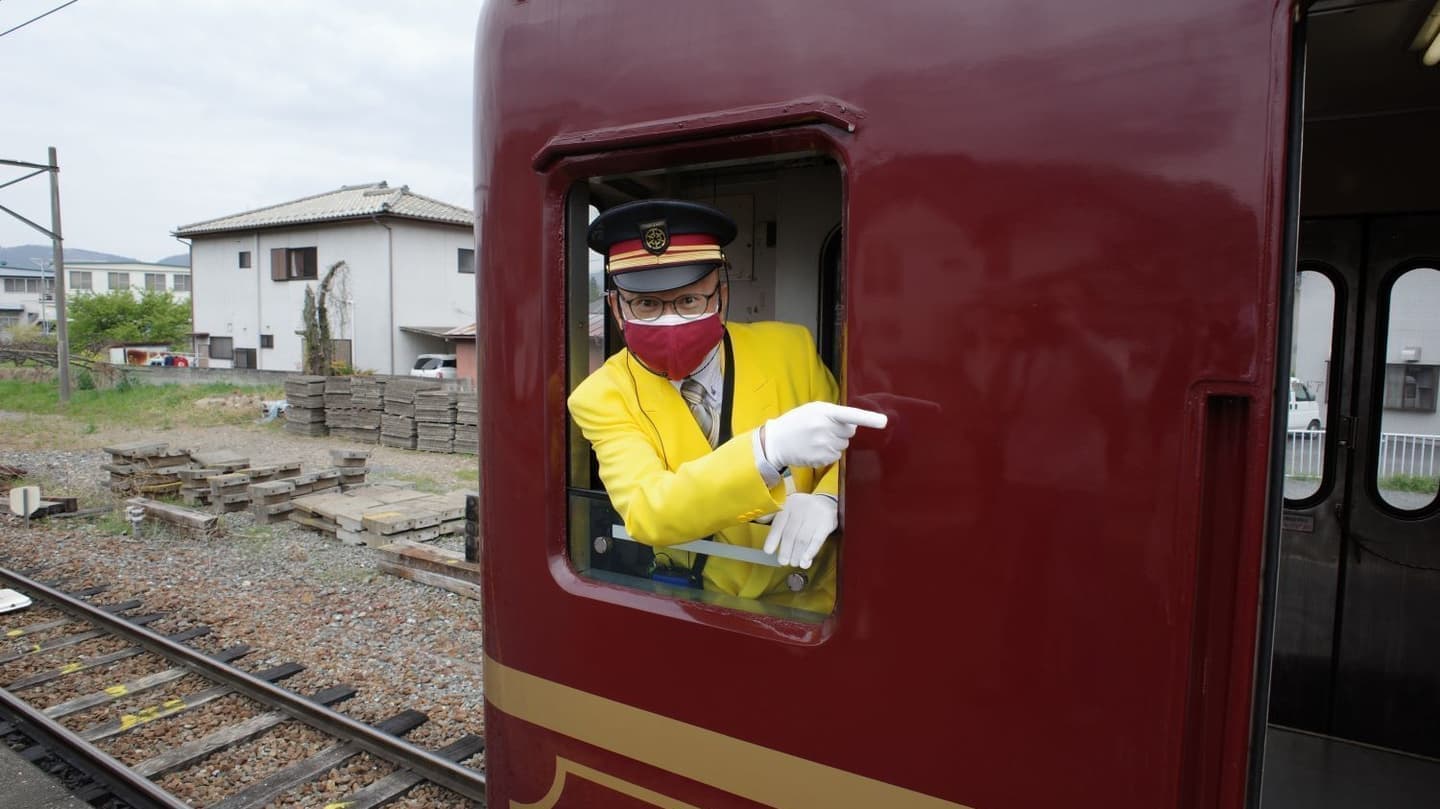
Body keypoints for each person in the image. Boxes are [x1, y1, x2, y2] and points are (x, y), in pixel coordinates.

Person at [567, 199, 885, 613]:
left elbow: (853, 447)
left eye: (688, 302)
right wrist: (766, 451)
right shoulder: (600, 396)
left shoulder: (790, 349)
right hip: (697, 601)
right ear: (616, 308)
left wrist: (829, 498)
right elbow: (648, 511)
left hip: (812, 599)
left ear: (722, 294)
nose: (669, 322)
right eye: (646, 305)